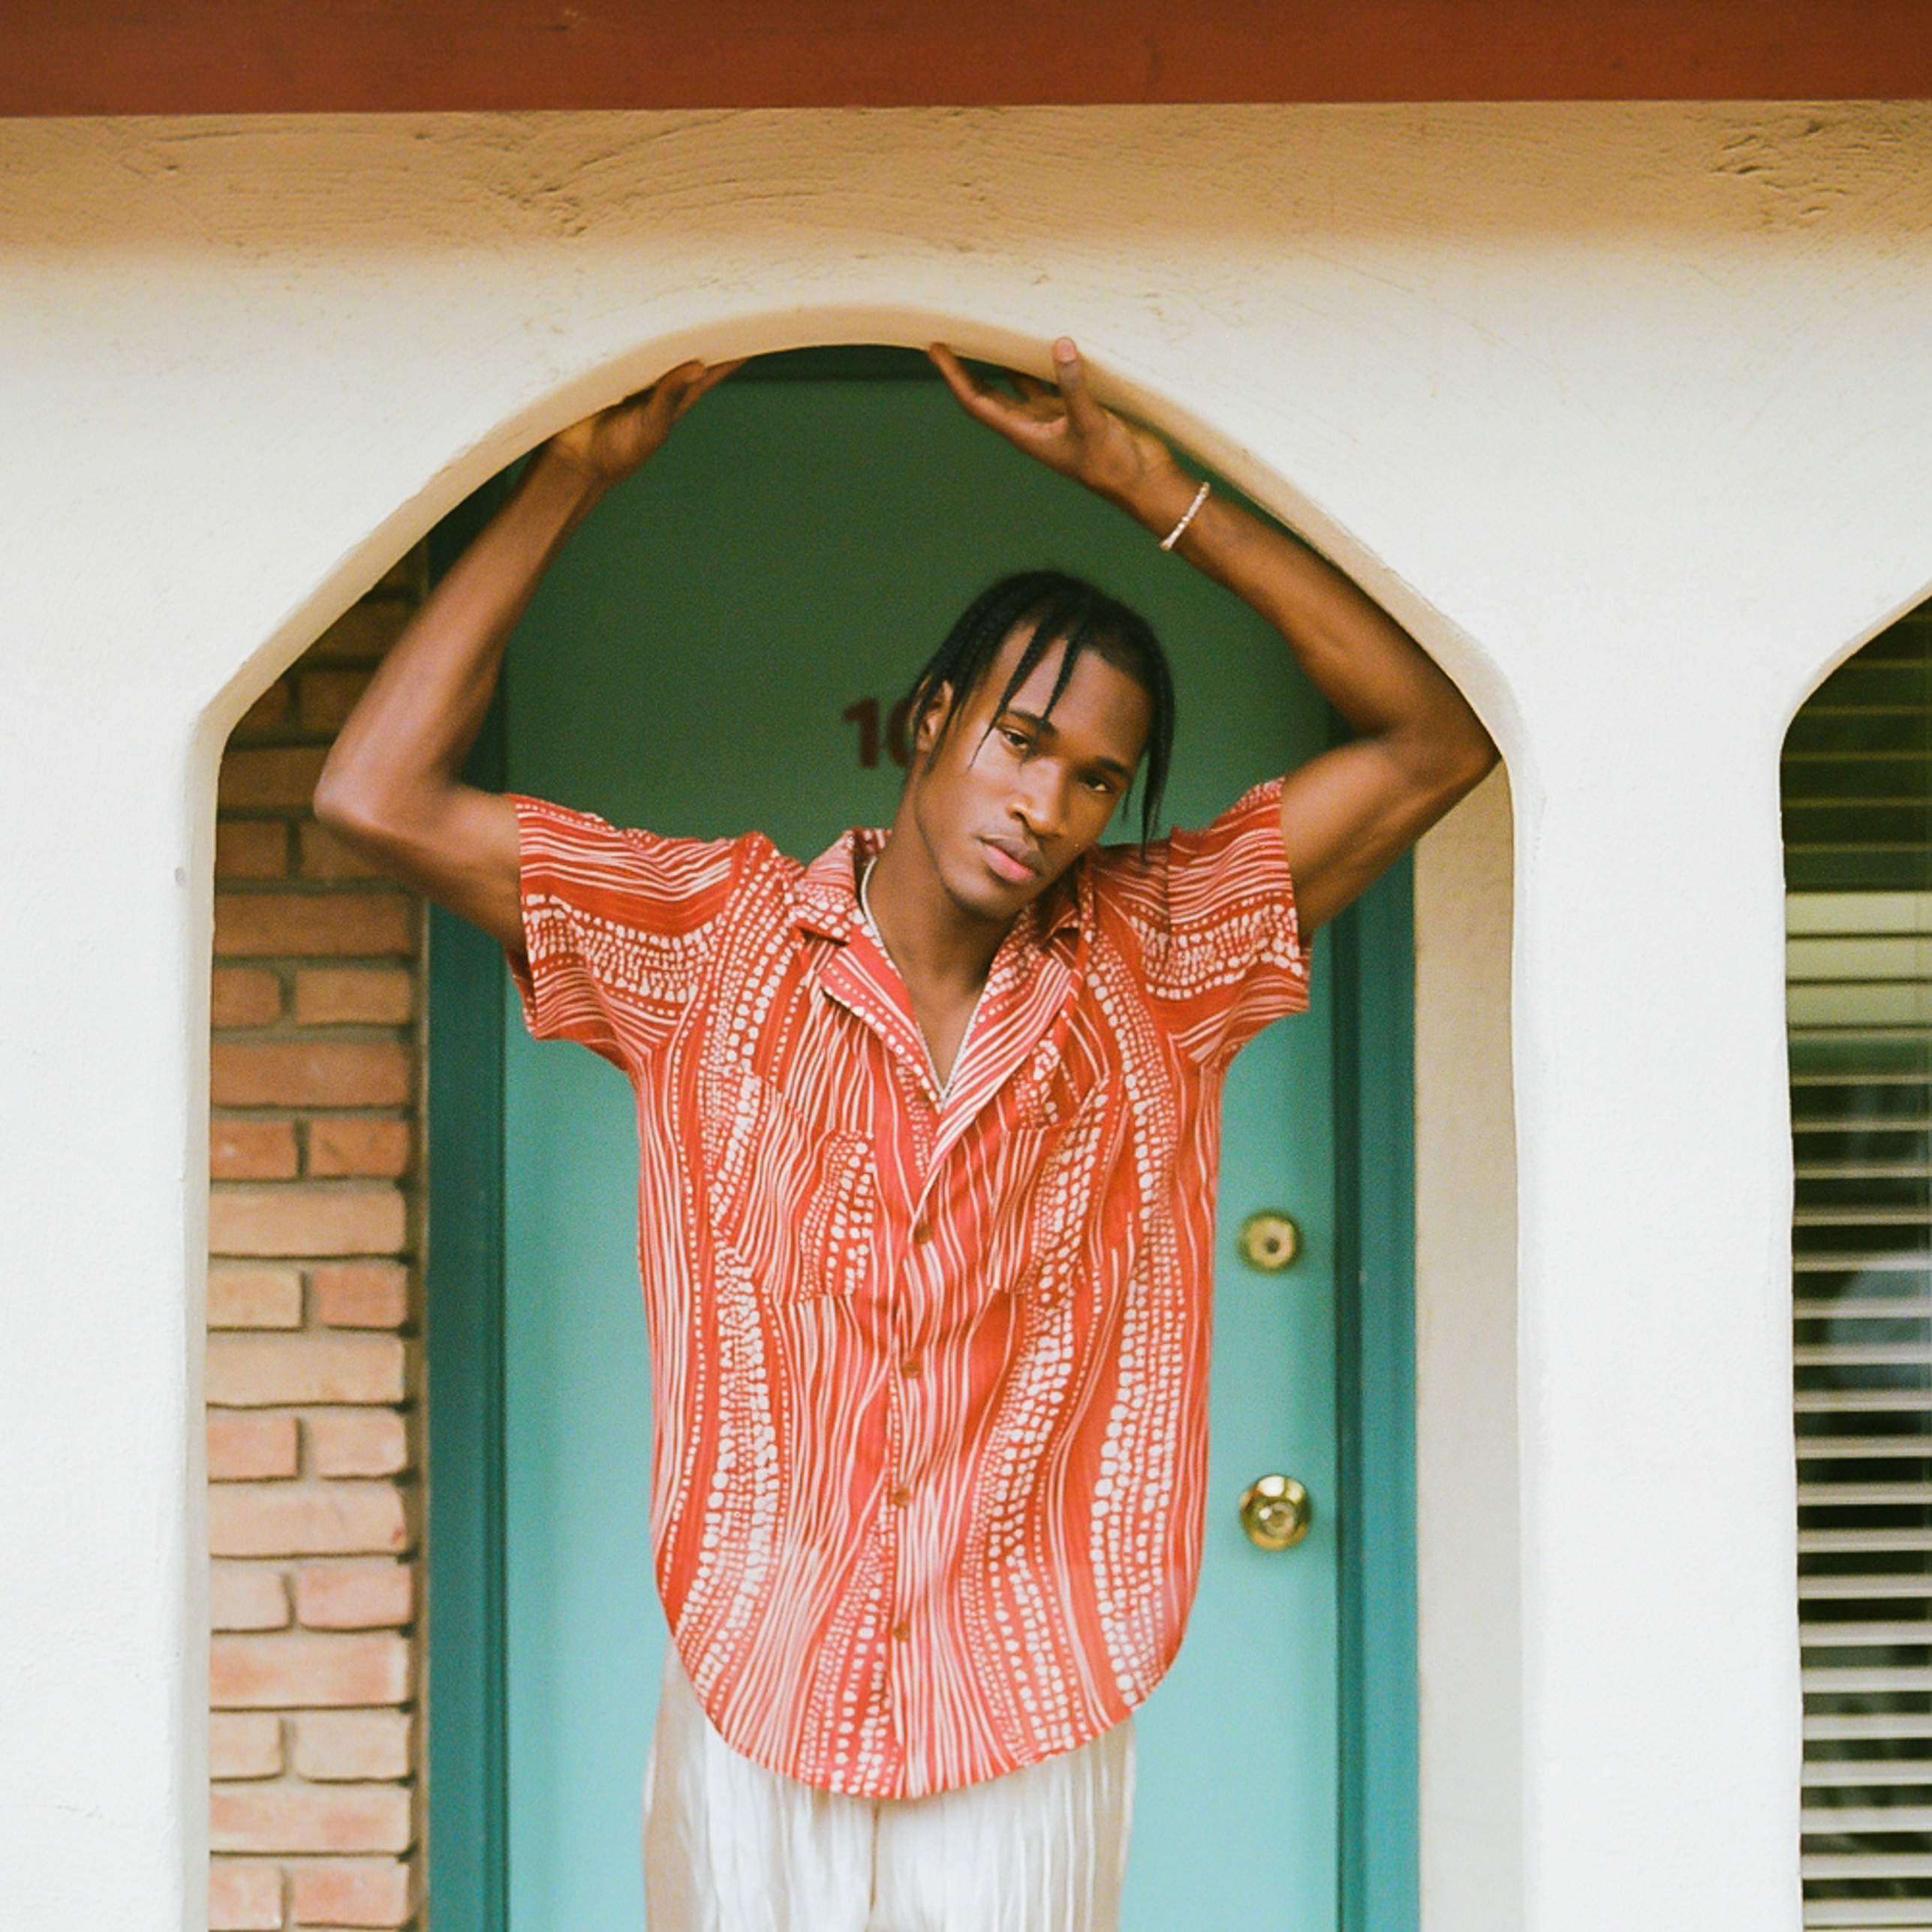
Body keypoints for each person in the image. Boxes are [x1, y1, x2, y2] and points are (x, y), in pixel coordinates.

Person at [314, 337, 1496, 1932]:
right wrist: (570, 476)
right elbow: (373, 796)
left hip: (1024, 1685)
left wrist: (1153, 487)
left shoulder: (1156, 959)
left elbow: (1434, 738)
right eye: (1022, 740)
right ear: (933, 718)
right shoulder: (708, 941)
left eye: (1096, 780)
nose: (1046, 804)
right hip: (760, 1670)